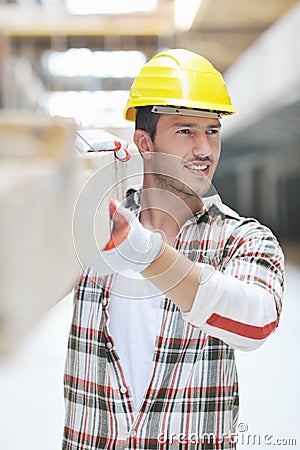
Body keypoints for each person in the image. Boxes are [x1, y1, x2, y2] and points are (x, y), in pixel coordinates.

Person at [63, 49, 284, 449]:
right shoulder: (94, 228)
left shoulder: (243, 239)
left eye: (212, 131)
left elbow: (257, 322)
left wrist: (145, 252)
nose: (204, 149)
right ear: (144, 143)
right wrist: (61, 178)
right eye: (185, 131)